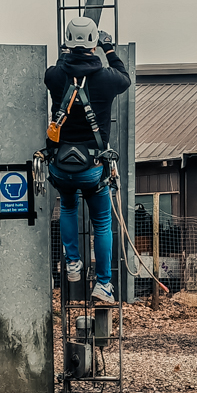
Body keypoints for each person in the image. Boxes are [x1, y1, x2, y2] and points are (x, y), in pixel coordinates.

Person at [44, 17, 131, 304]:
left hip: (61, 166)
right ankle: (103, 284)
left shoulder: (56, 77)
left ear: (68, 43)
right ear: (93, 42)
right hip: (92, 169)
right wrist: (108, 48)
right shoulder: (106, 80)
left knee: (68, 206)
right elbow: (124, 76)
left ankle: (72, 263)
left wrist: (65, 51)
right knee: (102, 223)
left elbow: (55, 69)